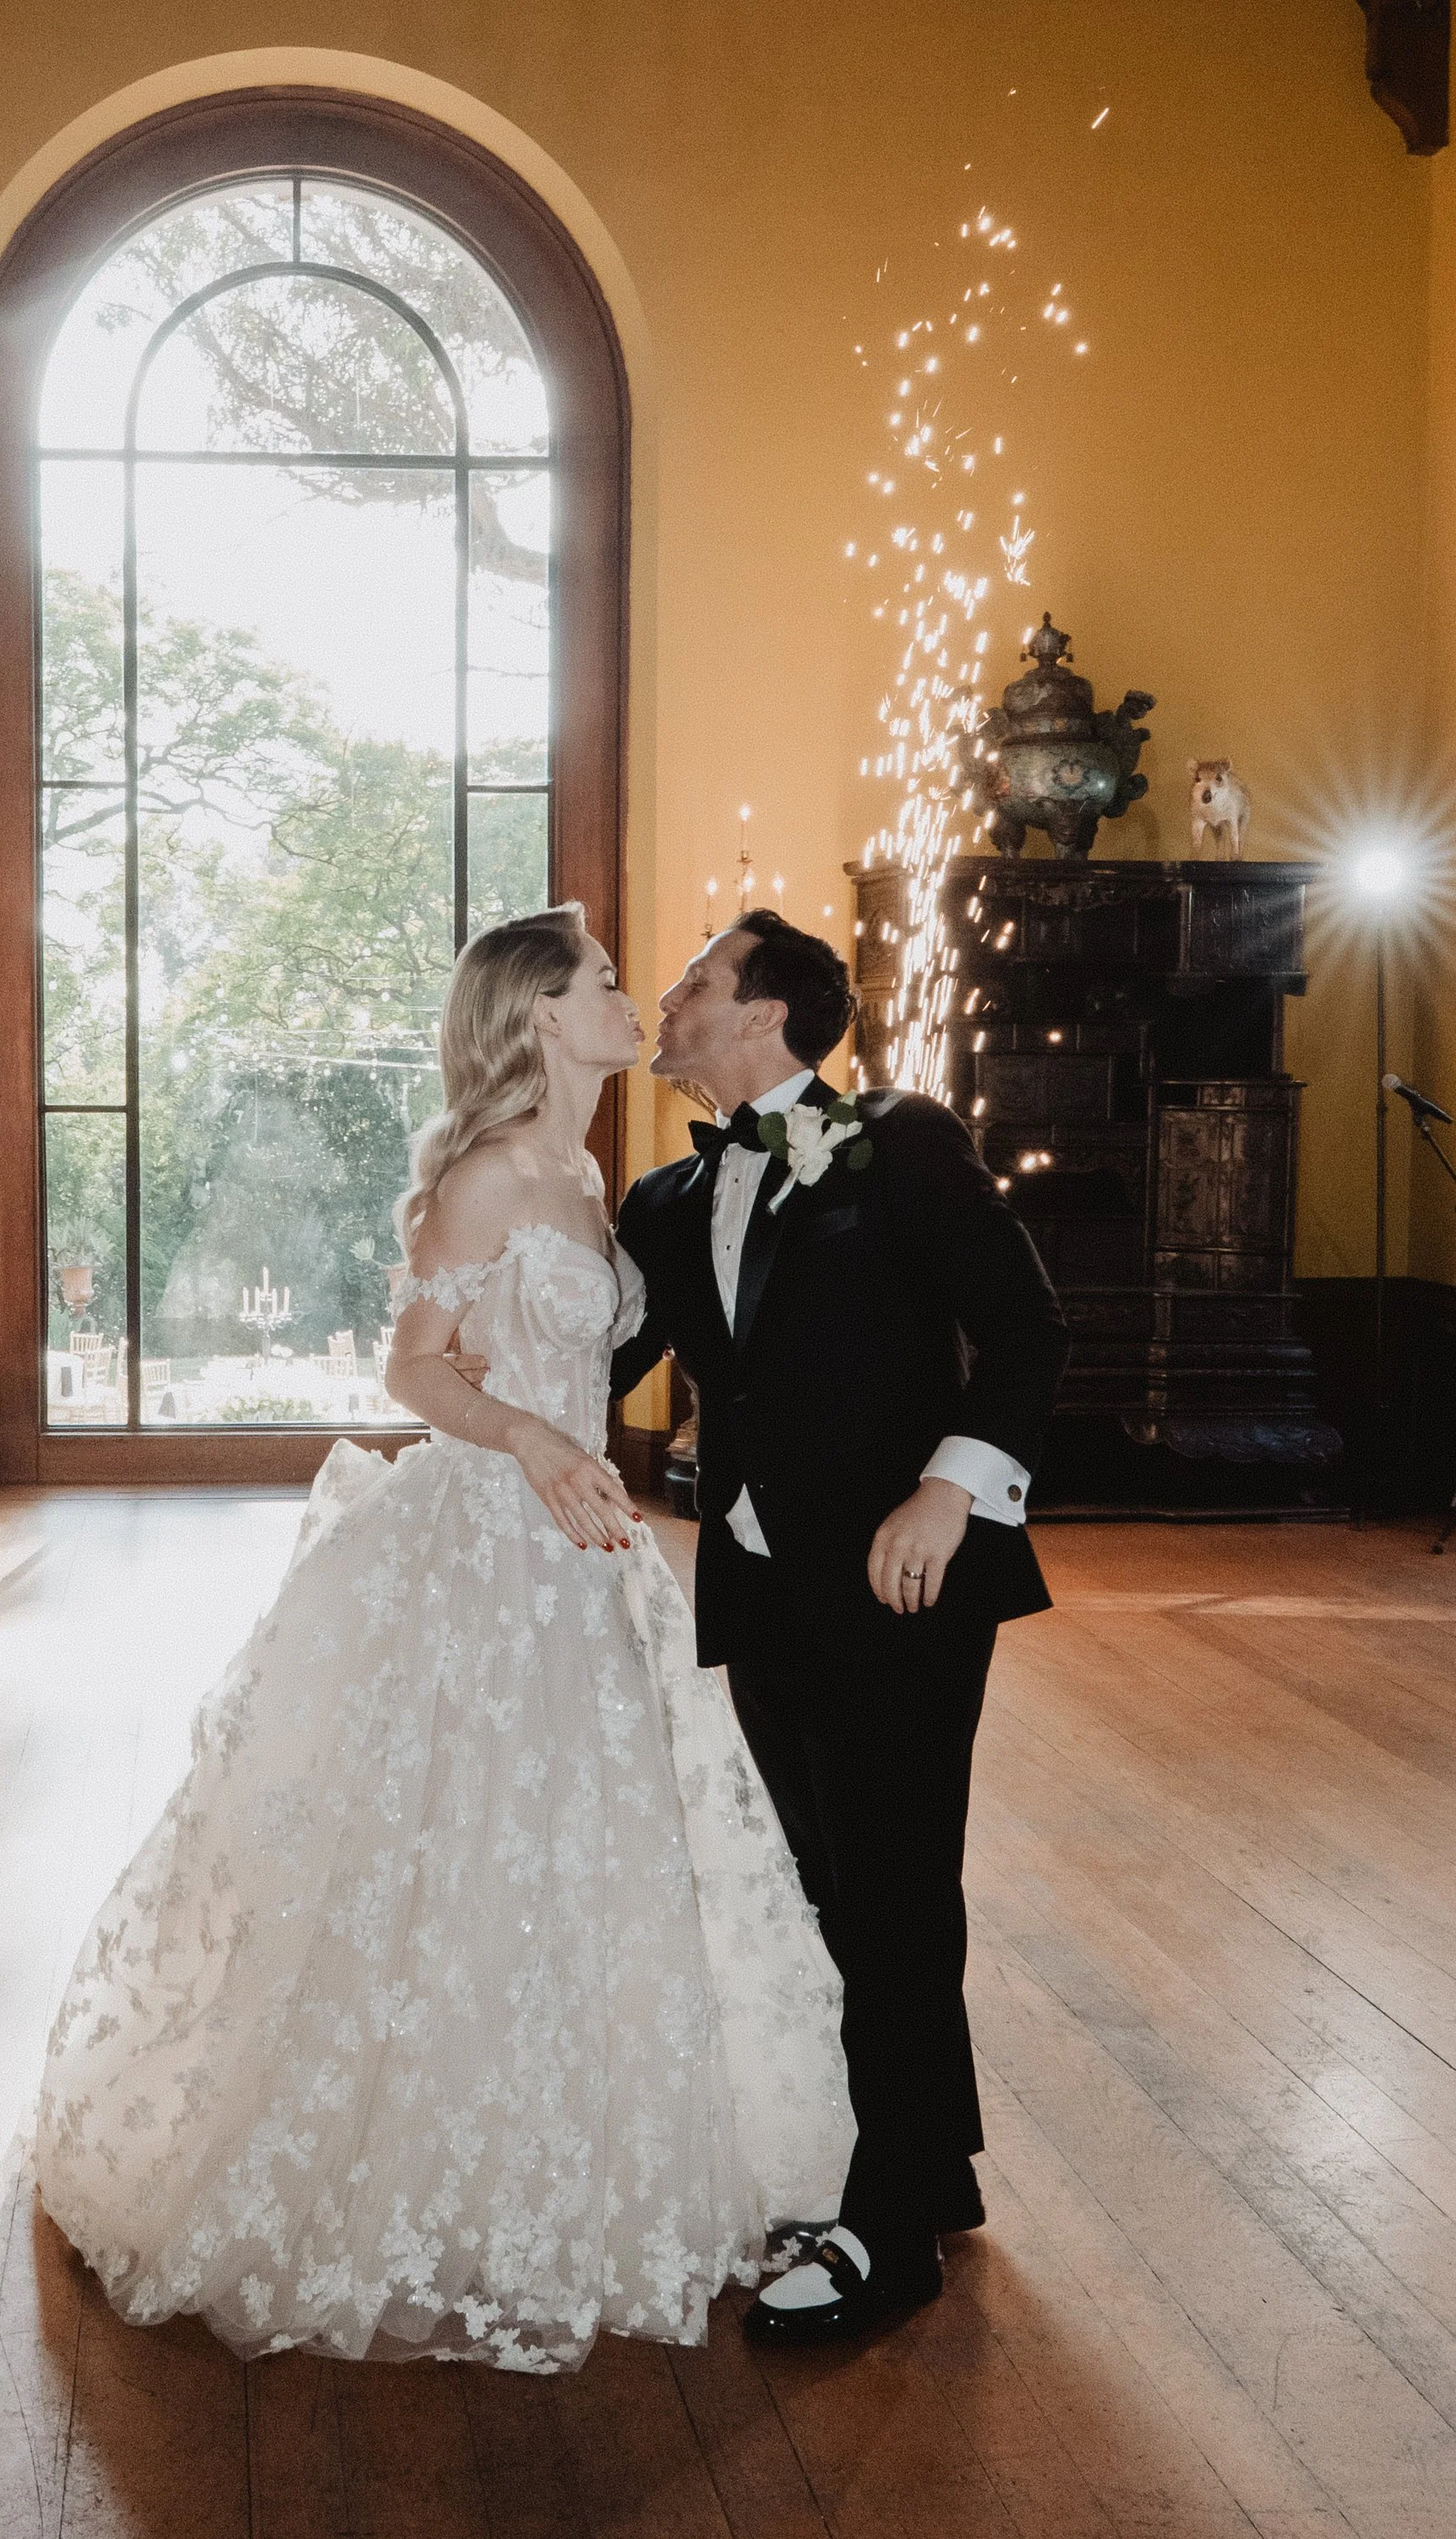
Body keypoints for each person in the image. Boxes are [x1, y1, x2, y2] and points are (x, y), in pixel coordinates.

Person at [36, 904, 851, 2372]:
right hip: (486, 1539)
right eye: (608, 981)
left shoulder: (589, 1176)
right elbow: (412, 1369)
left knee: (582, 1847)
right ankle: (406, 2171)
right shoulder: (481, 1178)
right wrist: (534, 1440)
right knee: (450, 1841)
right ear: (541, 1013)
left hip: (583, 1557)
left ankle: (566, 2150)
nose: (635, 999)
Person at [610, 908, 1070, 2341]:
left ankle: (890, 2239)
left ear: (765, 1016)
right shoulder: (661, 1203)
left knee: (893, 1889)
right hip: (759, 1589)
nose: (667, 999)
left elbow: (1031, 1331)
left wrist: (950, 1491)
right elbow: (591, 1360)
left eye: (694, 980)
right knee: (829, 1883)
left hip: (903, 1584)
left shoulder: (902, 1141)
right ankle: (931, 2168)